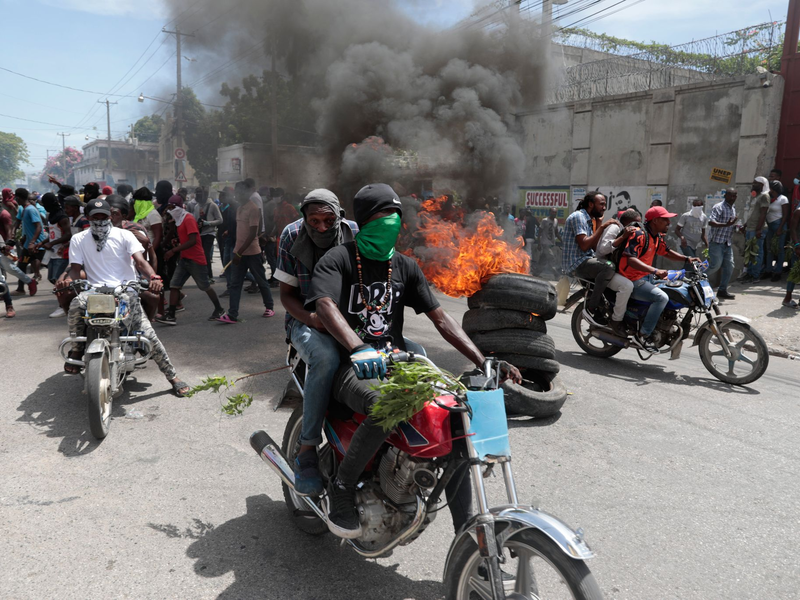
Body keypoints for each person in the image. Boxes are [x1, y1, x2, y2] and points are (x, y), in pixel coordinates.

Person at [305, 183, 522, 538]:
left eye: (394, 216)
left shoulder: (405, 266)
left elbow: (441, 319)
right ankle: (343, 487)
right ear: (363, 220)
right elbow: (325, 305)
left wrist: (484, 360)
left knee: (456, 416)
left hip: (400, 363)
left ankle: (465, 533)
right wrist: (358, 347)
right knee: (383, 405)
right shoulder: (339, 259)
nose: (389, 222)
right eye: (380, 216)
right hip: (353, 365)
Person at [57, 198, 189, 396]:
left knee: (148, 335)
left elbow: (140, 262)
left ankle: (173, 377)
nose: (100, 221)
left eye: (104, 217)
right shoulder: (79, 239)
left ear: (110, 217)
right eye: (95, 217)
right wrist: (67, 280)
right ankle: (76, 348)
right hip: (94, 292)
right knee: (76, 303)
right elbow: (76, 270)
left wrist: (153, 276)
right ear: (88, 218)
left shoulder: (125, 235)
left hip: (125, 291)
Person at [274, 189, 358, 495]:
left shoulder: (354, 235)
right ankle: (308, 448)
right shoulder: (290, 235)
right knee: (326, 358)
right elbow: (286, 296)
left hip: (348, 320)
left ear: (340, 217)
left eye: (328, 220)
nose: (321, 227)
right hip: (306, 320)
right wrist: (311, 319)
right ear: (304, 218)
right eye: (314, 221)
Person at [619, 206, 699, 352]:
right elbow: (630, 259)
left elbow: (666, 252)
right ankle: (643, 335)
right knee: (661, 298)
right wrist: (656, 270)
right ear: (655, 221)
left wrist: (687, 259)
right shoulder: (639, 234)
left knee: (672, 288)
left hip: (646, 277)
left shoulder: (656, 236)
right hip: (631, 279)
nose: (669, 223)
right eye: (665, 219)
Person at [155, 196, 224, 325]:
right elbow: (172, 232)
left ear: (179, 207)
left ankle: (219, 309)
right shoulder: (178, 219)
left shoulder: (188, 219)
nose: (170, 210)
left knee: (205, 286)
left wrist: (173, 251)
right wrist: (163, 245)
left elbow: (192, 241)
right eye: (169, 207)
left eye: (172, 207)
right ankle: (171, 315)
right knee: (174, 285)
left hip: (196, 259)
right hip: (185, 258)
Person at [218, 184, 275, 323]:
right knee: (235, 284)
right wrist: (237, 251)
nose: (237, 195)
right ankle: (232, 314)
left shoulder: (253, 209)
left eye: (239, 193)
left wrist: (239, 253)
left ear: (246, 193)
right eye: (236, 193)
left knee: (261, 281)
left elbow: (252, 233)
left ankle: (269, 307)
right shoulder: (239, 209)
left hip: (252, 252)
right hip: (239, 251)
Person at [562, 192, 619, 325]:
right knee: (608, 267)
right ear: (591, 204)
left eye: (605, 204)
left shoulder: (589, 219)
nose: (604, 208)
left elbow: (594, 246)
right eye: (601, 204)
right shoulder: (579, 217)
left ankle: (602, 312)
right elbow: (584, 245)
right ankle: (592, 306)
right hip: (577, 263)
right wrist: (603, 227)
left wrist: (599, 223)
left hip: (586, 260)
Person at [595, 208, 640, 336]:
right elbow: (602, 250)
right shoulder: (615, 229)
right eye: (636, 223)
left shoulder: (636, 233)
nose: (639, 227)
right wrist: (623, 237)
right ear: (627, 222)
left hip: (617, 268)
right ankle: (616, 321)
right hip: (604, 267)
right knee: (626, 286)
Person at [706, 188, 738, 300]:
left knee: (729, 267)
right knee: (715, 265)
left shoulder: (733, 209)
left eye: (735, 196)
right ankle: (697, 280)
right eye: (731, 195)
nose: (733, 198)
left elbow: (731, 225)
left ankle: (722, 290)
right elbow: (711, 222)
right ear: (725, 196)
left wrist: (738, 227)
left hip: (727, 243)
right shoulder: (718, 207)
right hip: (716, 242)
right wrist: (726, 224)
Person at [741, 176, 770, 283]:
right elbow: (752, 212)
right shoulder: (756, 196)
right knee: (749, 252)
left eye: (755, 183)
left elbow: (763, 213)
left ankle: (755, 275)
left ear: (762, 185)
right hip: (750, 228)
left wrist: (759, 229)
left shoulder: (764, 196)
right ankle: (749, 273)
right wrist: (745, 225)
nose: (753, 185)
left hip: (757, 229)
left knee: (756, 253)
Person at [14, 188, 44, 293]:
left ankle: (22, 287)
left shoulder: (30, 210)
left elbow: (38, 227)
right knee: (22, 265)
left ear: (17, 198)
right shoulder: (25, 209)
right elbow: (29, 227)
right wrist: (25, 237)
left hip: (34, 245)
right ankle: (23, 287)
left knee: (21, 266)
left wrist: (32, 242)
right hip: (28, 244)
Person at [192, 187, 222, 282]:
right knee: (200, 255)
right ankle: (203, 275)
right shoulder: (197, 206)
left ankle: (209, 276)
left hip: (209, 233)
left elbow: (220, 220)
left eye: (200, 194)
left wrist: (208, 223)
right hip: (200, 234)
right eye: (197, 194)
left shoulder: (212, 205)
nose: (198, 196)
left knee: (205, 254)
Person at [764, 180, 790, 282]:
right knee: (769, 248)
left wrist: (780, 228)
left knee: (779, 249)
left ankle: (778, 272)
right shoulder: (770, 199)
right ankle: (768, 270)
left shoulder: (783, 199)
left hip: (779, 224)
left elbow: (785, 215)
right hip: (770, 225)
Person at [133, 187, 163, 266]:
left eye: (137, 201)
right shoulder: (139, 214)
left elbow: (158, 236)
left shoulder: (153, 214)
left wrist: (151, 253)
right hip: (141, 251)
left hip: (151, 251)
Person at [781, 198, 800, 308]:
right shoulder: (798, 211)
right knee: (794, 273)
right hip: (798, 246)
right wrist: (797, 246)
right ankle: (787, 298)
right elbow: (792, 229)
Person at [536, 208, 561, 278]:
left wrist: (562, 241)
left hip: (551, 244)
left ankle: (536, 273)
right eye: (553, 212)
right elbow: (539, 232)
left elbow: (556, 233)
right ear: (549, 212)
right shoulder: (544, 221)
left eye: (555, 213)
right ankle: (556, 274)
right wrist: (539, 243)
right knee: (551, 258)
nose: (554, 214)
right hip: (545, 243)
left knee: (543, 260)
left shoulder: (556, 221)